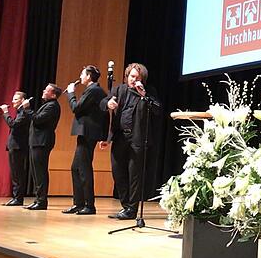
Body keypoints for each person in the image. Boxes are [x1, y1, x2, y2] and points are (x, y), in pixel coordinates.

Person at [100, 62, 161, 220]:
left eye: (138, 78)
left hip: (137, 139)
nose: (134, 80)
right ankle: (126, 206)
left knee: (134, 176)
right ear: (127, 76)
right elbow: (102, 103)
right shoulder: (119, 90)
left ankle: (132, 210)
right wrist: (108, 104)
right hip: (119, 137)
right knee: (118, 173)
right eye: (132, 76)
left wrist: (144, 95)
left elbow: (157, 109)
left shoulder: (148, 92)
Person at [64, 65, 109, 215]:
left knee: (84, 168)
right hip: (86, 133)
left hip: (88, 133)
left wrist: (71, 93)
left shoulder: (93, 90)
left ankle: (89, 205)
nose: (80, 77)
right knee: (76, 168)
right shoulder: (94, 90)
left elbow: (76, 108)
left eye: (82, 74)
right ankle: (79, 203)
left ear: (89, 76)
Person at [25, 83, 63, 210]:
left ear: (53, 95)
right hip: (37, 141)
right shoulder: (48, 105)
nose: (43, 91)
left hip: (42, 142)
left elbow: (37, 119)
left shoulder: (52, 106)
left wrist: (27, 109)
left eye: (47, 90)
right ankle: (38, 199)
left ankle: (41, 201)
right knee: (36, 172)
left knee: (40, 172)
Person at [0, 91, 32, 206]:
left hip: (18, 146)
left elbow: (13, 124)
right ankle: (16, 197)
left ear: (22, 100)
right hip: (15, 145)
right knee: (15, 173)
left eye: (16, 99)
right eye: (13, 99)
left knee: (17, 173)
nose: (12, 101)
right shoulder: (20, 111)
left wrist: (5, 112)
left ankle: (18, 199)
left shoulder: (23, 112)